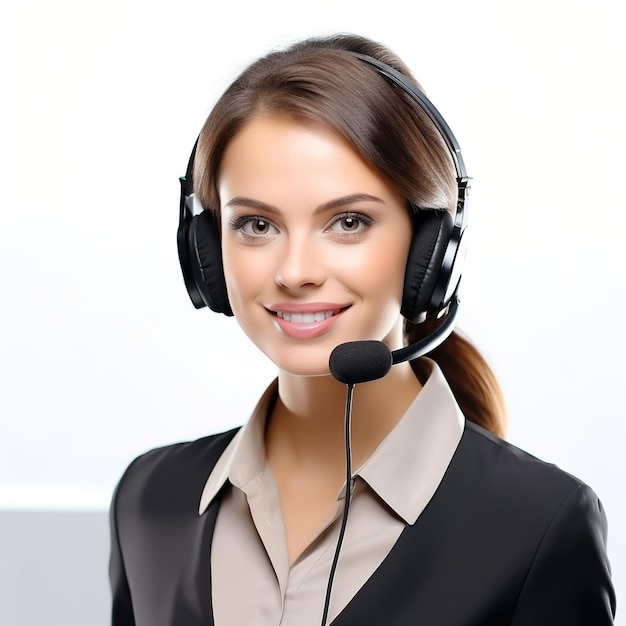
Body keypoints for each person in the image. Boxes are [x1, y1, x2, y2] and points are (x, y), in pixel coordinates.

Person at [109, 34, 616, 625]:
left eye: (347, 222)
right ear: (206, 253)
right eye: (255, 224)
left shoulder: (540, 524)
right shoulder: (150, 500)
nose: (295, 272)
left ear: (433, 247)